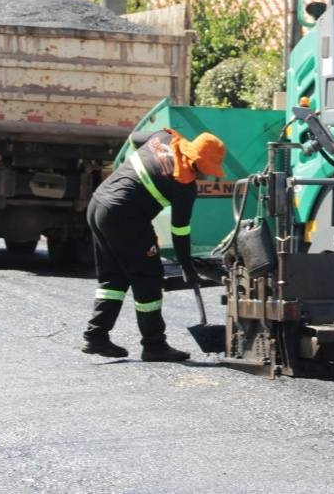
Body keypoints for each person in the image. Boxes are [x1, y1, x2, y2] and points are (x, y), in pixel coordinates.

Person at [81, 127, 226, 362]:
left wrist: (140, 171)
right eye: (204, 170)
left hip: (99, 204)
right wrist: (187, 267)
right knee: (148, 277)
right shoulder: (184, 184)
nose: (204, 176)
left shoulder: (164, 137)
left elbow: (133, 137)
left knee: (114, 277)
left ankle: (96, 336)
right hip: (126, 216)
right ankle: (154, 345)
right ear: (196, 163)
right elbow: (180, 230)